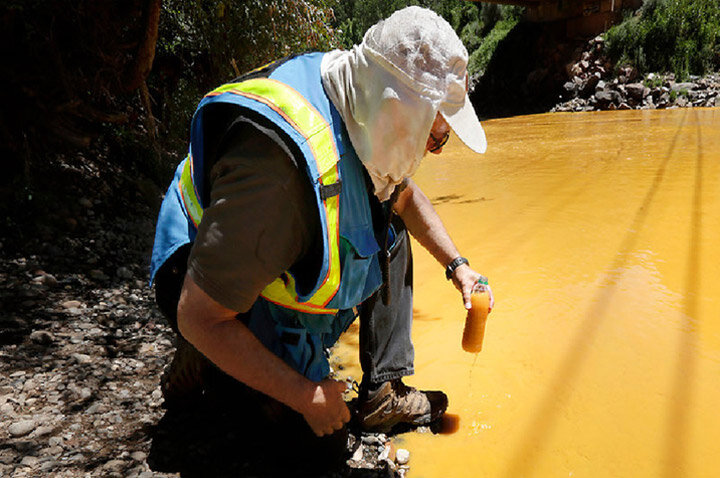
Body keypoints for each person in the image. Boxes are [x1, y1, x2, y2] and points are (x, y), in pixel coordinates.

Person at [150, 6, 494, 444]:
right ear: (400, 115)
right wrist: (305, 394)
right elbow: (197, 315)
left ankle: (381, 393)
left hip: (258, 252)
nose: (439, 152)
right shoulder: (276, 182)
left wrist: (458, 267)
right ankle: (204, 362)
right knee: (311, 443)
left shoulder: (360, 97)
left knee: (386, 227)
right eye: (436, 136)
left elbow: (402, 196)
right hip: (201, 280)